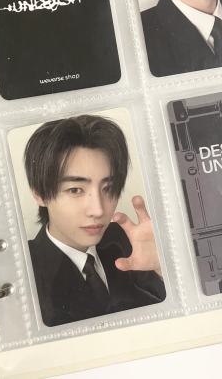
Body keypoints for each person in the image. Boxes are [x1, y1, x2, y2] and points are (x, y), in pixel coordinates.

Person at [24, 114, 165, 326]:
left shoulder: (129, 240)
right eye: (75, 190)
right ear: (40, 194)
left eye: (108, 188)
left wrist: (164, 269)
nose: (98, 210)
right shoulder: (23, 269)